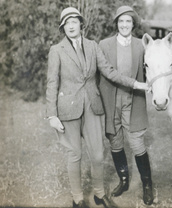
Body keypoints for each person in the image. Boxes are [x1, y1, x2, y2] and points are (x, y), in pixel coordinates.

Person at [46, 7, 148, 208]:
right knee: (74, 154)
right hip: (68, 110)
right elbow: (52, 82)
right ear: (63, 27)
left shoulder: (93, 46)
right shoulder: (57, 50)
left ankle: (100, 194)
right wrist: (51, 115)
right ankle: (77, 199)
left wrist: (136, 84)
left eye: (74, 22)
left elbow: (109, 72)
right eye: (67, 23)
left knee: (98, 154)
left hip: (93, 107)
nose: (71, 26)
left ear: (81, 25)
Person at [98, 6, 154, 206]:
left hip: (133, 100)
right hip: (111, 101)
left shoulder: (141, 46)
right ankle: (124, 181)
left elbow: (154, 65)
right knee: (115, 143)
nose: (124, 25)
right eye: (121, 21)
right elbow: (106, 73)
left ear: (133, 24)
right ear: (116, 24)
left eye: (128, 21)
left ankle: (148, 185)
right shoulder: (104, 45)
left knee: (137, 143)